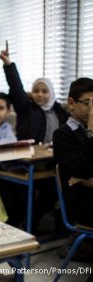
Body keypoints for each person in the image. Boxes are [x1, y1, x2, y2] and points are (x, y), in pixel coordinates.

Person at [0, 41, 68, 144]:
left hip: (53, 156)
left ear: (51, 94)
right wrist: (8, 64)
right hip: (30, 157)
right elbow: (16, 87)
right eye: (36, 91)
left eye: (44, 91)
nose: (40, 94)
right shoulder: (26, 108)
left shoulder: (60, 112)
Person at [53, 77, 93, 227]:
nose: (92, 109)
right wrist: (91, 132)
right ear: (71, 103)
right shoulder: (62, 135)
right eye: (87, 103)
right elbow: (82, 169)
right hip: (82, 203)